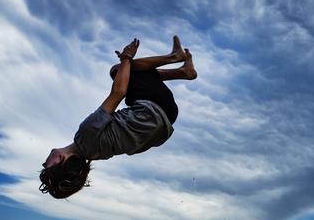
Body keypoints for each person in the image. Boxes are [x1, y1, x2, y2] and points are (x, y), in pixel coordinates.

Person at [39, 36, 197, 199]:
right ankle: (174, 57)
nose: (44, 162)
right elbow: (118, 93)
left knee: (126, 72)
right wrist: (127, 57)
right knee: (118, 70)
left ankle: (184, 72)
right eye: (46, 165)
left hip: (168, 118)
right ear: (59, 160)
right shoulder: (85, 135)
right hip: (155, 106)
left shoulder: (95, 154)